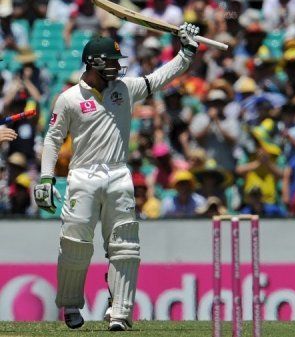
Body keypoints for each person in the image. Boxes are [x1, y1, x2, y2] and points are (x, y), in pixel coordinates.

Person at [33, 23, 200, 331]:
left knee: (125, 246)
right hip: (83, 176)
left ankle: (119, 312)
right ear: (94, 63)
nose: (116, 67)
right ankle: (70, 303)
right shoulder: (69, 98)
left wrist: (186, 52)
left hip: (119, 174)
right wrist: (45, 179)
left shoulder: (123, 89)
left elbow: (159, 78)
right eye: (110, 62)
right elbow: (53, 139)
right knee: (75, 244)